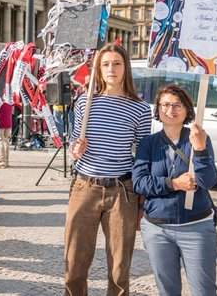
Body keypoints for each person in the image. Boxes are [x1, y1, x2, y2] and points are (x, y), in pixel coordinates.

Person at [65, 43, 152, 296]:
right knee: (74, 264)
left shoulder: (140, 109)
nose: (111, 69)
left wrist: (141, 200)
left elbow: (141, 156)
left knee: (119, 269)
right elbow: (74, 145)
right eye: (105, 64)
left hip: (122, 191)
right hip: (84, 187)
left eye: (116, 63)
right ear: (98, 70)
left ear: (126, 68)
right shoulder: (85, 102)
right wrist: (75, 149)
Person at [133, 84, 217, 296]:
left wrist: (199, 150)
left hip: (197, 227)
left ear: (187, 110)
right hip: (157, 229)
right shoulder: (148, 143)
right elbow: (140, 183)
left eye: (177, 105)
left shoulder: (199, 138)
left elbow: (207, 181)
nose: (170, 110)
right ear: (158, 109)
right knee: (167, 291)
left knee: (204, 291)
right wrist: (174, 184)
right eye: (165, 104)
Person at [0, 103, 12, 169]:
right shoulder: (9, 100)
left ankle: (2, 161)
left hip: (0, 122)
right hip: (8, 122)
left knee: (0, 141)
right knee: (6, 141)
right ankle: (6, 160)